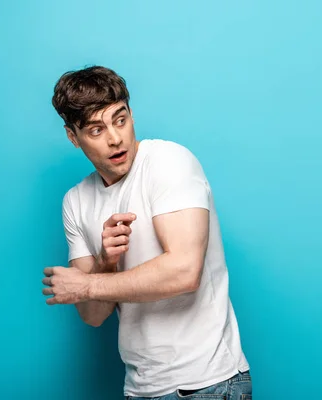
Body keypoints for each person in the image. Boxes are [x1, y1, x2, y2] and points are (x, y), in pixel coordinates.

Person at [42, 66, 252, 400]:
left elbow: (185, 272)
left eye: (120, 119)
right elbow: (93, 315)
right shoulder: (76, 201)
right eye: (96, 130)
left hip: (205, 383)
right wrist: (104, 262)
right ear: (73, 136)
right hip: (140, 388)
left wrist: (88, 283)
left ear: (131, 114)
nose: (115, 138)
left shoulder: (168, 162)